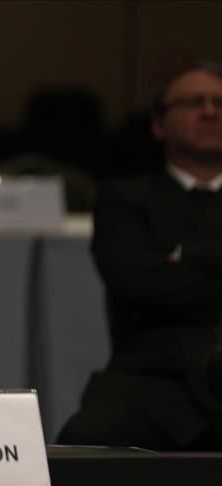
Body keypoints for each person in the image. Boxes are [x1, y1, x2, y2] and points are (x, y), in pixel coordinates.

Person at [58, 61, 222, 451]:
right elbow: (137, 283)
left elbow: (161, 281)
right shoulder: (124, 199)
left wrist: (184, 256)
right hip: (152, 377)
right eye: (194, 102)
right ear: (158, 125)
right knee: (86, 441)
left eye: (219, 103)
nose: (210, 112)